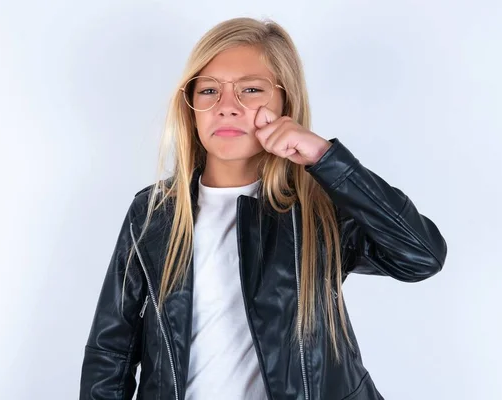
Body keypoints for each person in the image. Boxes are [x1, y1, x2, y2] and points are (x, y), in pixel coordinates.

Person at [79, 17, 447, 400]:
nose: (226, 107)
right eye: (208, 91)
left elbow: (421, 256)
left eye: (250, 90)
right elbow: (111, 351)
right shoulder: (154, 212)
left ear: (285, 102)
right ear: (190, 106)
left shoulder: (318, 210)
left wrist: (326, 158)